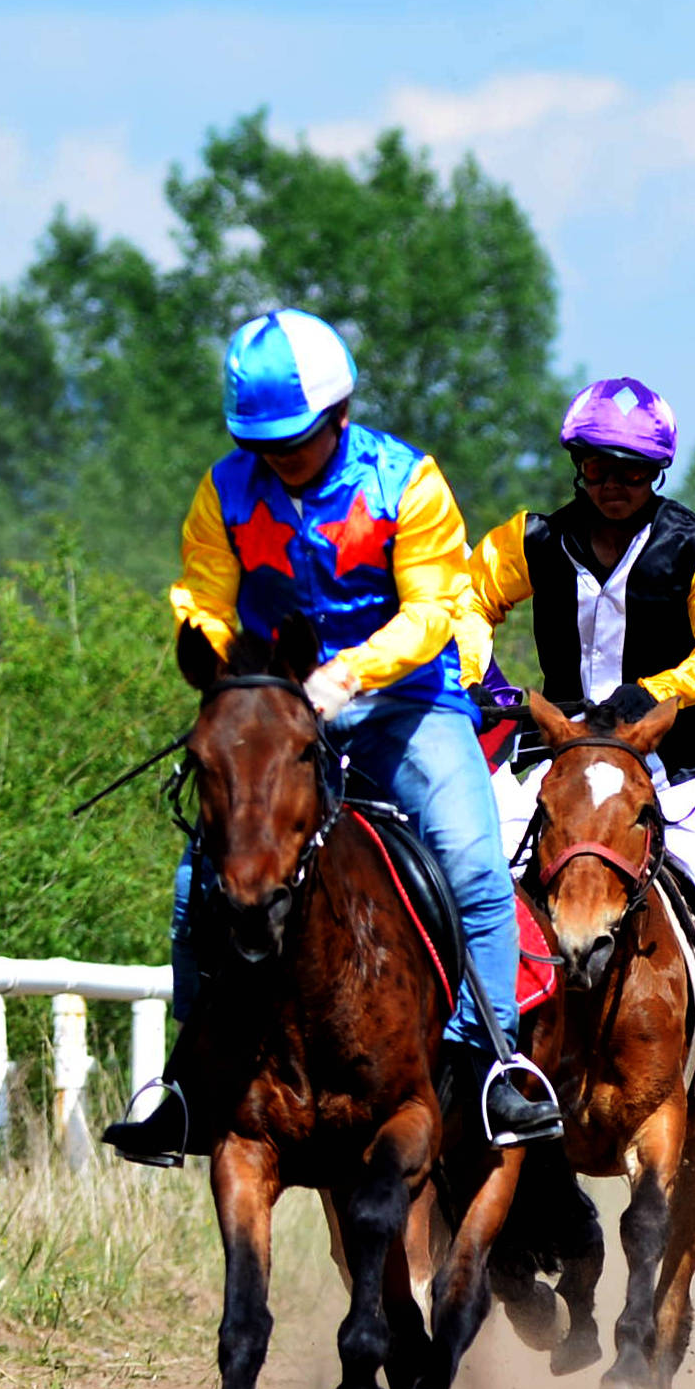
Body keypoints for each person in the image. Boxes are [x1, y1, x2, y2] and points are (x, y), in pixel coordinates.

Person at [108, 307, 562, 1162]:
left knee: (470, 861)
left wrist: (347, 675)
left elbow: (433, 609)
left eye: (296, 439)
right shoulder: (223, 489)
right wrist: (224, 665)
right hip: (277, 717)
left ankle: (495, 1066)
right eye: (262, 441)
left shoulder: (407, 482)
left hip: (408, 707)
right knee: (194, 884)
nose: (278, 458)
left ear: (339, 415)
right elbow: (204, 591)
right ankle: (187, 1086)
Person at [460, 377, 695, 1161]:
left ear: (658, 473)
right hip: (560, 761)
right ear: (576, 464)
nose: (614, 484)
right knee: (469, 877)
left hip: (673, 762)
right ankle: (472, 1064)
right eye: (599, 467)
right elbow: (465, 603)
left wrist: (657, 690)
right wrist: (494, 682)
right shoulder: (530, 540)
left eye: (633, 470)